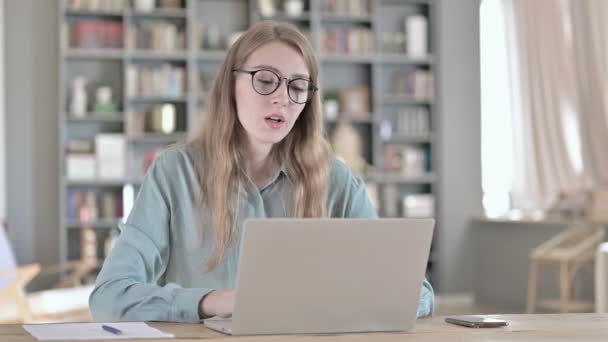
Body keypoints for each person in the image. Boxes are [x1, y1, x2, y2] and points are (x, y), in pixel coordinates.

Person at [89, 21, 434, 322]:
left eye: (297, 86)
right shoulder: (174, 173)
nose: (282, 98)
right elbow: (109, 297)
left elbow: (419, 293)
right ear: (231, 86)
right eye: (265, 80)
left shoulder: (337, 181)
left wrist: (348, 302)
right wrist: (213, 302)